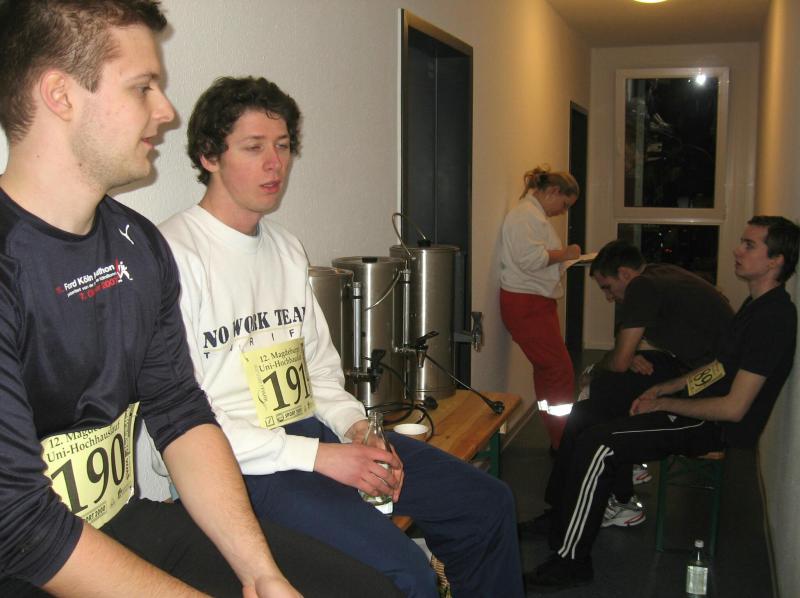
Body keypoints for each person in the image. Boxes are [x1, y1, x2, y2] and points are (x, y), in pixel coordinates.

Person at [0, 2, 401, 596]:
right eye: (143, 87)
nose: (166, 111)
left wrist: (261, 575)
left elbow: (181, 413)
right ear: (60, 95)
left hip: (121, 520)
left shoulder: (138, 247)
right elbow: (19, 526)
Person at [156, 75, 525, 598]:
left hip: (311, 435)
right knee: (406, 575)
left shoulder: (285, 247)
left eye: (283, 146)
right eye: (254, 147)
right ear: (209, 156)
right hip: (238, 466)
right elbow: (185, 423)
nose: (275, 164)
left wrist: (356, 429)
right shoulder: (172, 256)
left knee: (485, 503)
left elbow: (320, 372)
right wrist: (320, 458)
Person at [527, 216, 798, 591]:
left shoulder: (774, 318)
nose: (738, 250)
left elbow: (734, 408)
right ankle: (559, 514)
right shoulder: (756, 305)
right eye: (742, 242)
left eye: (750, 245)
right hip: (701, 403)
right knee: (586, 415)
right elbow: (718, 369)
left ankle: (571, 561)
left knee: (599, 444)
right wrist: (666, 388)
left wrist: (665, 404)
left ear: (776, 260)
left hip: (714, 426)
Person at [522, 239, 735, 533]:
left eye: (608, 288)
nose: (609, 297)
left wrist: (605, 364)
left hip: (711, 385)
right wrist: (627, 353)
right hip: (704, 371)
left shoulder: (642, 286)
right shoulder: (660, 274)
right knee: (598, 399)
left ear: (624, 273)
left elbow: (619, 361)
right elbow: (625, 344)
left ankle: (606, 497)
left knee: (598, 395)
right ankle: (606, 493)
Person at [499, 166, 581, 450]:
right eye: (564, 204)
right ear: (553, 191)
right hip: (527, 303)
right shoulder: (525, 216)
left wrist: (564, 258)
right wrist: (566, 253)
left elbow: (534, 258)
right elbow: (530, 259)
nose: (562, 212)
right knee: (559, 371)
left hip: (535, 302)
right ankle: (562, 439)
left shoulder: (533, 215)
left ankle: (557, 434)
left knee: (549, 370)